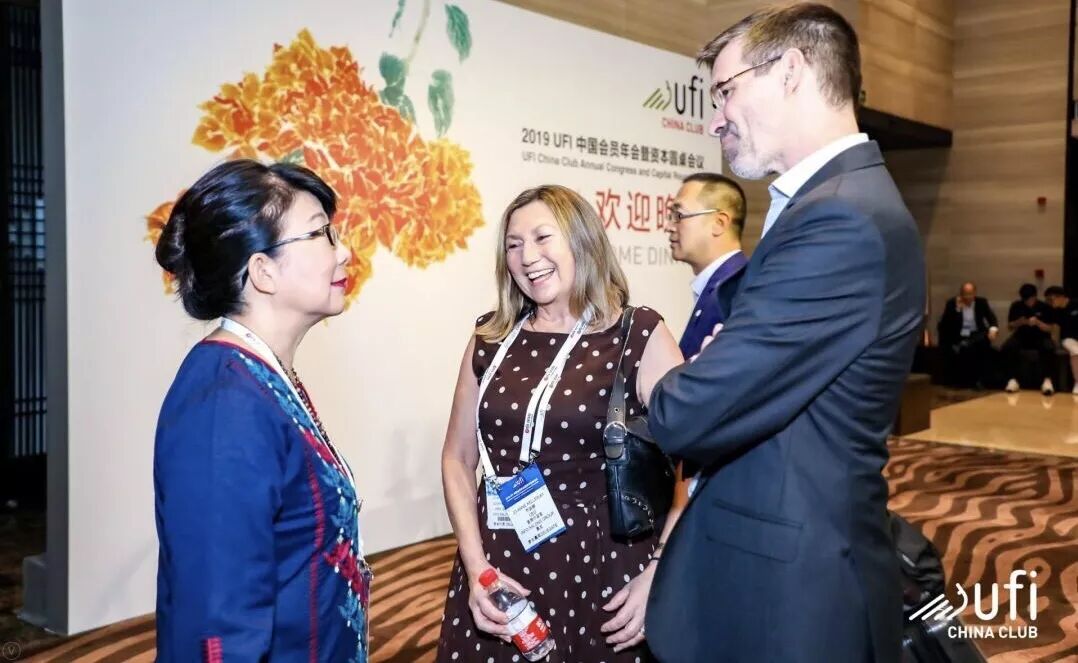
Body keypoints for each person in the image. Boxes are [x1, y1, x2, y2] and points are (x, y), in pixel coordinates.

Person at [643, 5, 925, 663]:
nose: (715, 118)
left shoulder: (840, 220)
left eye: (725, 90)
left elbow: (689, 412)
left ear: (791, 70)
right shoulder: (832, 204)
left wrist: (673, 375)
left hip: (792, 599)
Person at [437, 185, 685, 662]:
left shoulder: (637, 333)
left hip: (605, 563)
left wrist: (660, 571)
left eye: (542, 237)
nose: (527, 257)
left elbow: (691, 464)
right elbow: (458, 456)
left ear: (582, 240)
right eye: (513, 244)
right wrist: (476, 567)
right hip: (499, 559)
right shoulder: (491, 336)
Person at [153, 159, 370, 661]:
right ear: (262, 271)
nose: (344, 251)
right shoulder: (225, 404)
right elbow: (219, 622)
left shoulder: (260, 375)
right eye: (321, 234)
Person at [666, 172, 748, 358]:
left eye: (679, 215)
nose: (669, 227)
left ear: (719, 223)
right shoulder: (722, 285)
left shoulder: (736, 290)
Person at [936, 281, 999, 388]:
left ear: (975, 293)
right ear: (961, 294)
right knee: (964, 347)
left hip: (976, 333)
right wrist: (957, 310)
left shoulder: (981, 302)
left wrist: (993, 329)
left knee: (981, 340)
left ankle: (980, 380)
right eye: (965, 294)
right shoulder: (952, 303)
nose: (968, 297)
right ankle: (963, 380)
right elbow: (945, 325)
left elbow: (992, 319)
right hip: (959, 335)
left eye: (970, 294)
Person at [1002, 283, 1056, 395]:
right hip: (1022, 336)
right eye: (1025, 300)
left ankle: (1047, 380)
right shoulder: (1016, 306)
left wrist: (1038, 323)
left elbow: (1050, 328)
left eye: (1030, 299)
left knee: (1049, 347)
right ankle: (1012, 379)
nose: (1028, 302)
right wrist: (1020, 322)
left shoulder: (1044, 307)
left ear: (1035, 296)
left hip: (1040, 336)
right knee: (1007, 346)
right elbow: (1010, 326)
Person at [1045, 285, 1078, 394]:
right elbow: (1055, 328)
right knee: (1076, 351)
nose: (1050, 303)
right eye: (1048, 300)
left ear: (1061, 297)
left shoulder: (1075, 304)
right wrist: (1055, 342)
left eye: (1051, 299)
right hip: (1068, 339)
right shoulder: (1055, 311)